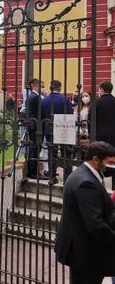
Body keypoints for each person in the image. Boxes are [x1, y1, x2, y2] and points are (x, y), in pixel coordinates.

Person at [55, 141, 115, 284]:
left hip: (82, 250)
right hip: (85, 254)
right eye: (110, 162)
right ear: (95, 159)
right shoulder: (85, 182)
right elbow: (95, 224)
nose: (112, 167)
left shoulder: (84, 173)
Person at [41, 80, 74, 181]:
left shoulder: (44, 100)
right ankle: (67, 177)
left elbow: (42, 115)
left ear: (50, 87)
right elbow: (70, 113)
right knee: (67, 152)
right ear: (59, 88)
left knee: (52, 152)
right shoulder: (64, 99)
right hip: (63, 129)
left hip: (49, 129)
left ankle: (52, 176)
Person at [25, 78, 42, 179]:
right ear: (35, 86)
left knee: (33, 148)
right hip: (35, 125)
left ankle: (31, 170)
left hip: (32, 124)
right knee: (34, 148)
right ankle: (32, 172)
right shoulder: (34, 97)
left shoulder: (31, 96)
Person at [93, 81, 115, 148]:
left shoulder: (96, 102)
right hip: (113, 135)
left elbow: (91, 119)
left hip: (99, 135)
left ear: (102, 89)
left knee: (101, 155)